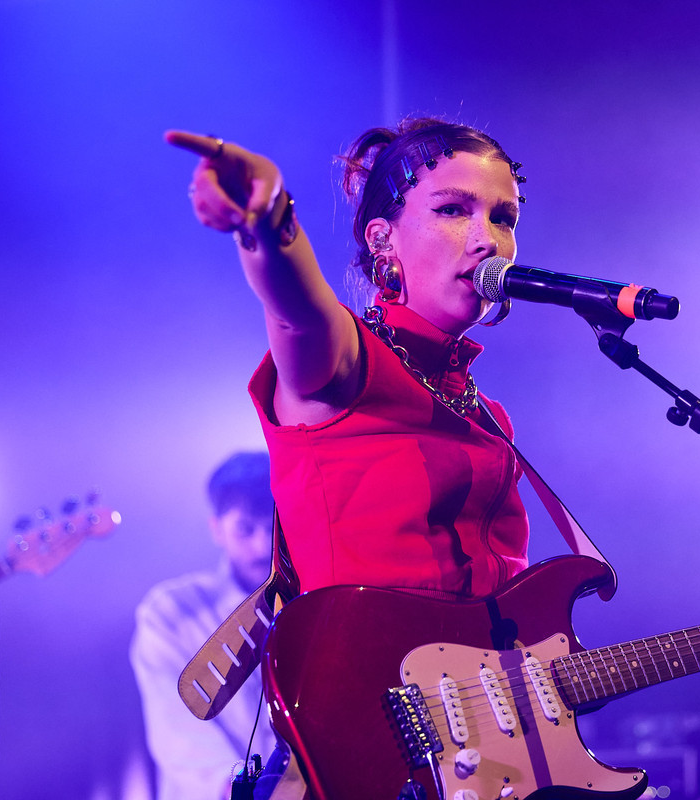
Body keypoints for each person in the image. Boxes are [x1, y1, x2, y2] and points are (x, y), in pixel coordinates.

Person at [167, 119, 534, 796]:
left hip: (478, 769)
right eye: (453, 209)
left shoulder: (489, 418)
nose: (488, 238)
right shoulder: (347, 363)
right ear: (382, 239)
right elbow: (298, 313)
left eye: (503, 217)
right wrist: (268, 222)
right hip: (359, 768)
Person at [130, 452, 278, 800]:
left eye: (273, 528)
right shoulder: (172, 612)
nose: (262, 545)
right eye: (245, 529)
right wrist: (239, 790)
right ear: (216, 529)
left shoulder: (315, 605)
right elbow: (177, 732)